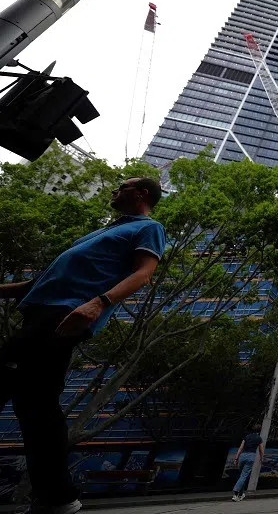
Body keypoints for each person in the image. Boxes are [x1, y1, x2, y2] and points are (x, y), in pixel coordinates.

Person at [0, 177, 166, 514]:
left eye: (122, 186)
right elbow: (37, 282)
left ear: (142, 194)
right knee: (34, 404)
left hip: (63, 317)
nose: (113, 190)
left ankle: (57, 497)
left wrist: (97, 304)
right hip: (41, 314)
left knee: (33, 401)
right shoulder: (103, 231)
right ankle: (56, 497)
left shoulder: (148, 228)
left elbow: (143, 274)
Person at [232, 424, 264, 501]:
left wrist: (236, 458)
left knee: (241, 476)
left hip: (242, 455)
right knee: (243, 476)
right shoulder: (259, 438)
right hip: (251, 456)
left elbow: (240, 448)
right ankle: (235, 494)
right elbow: (261, 451)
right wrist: (261, 459)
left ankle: (241, 494)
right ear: (259, 430)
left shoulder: (246, 437)